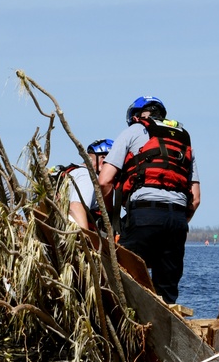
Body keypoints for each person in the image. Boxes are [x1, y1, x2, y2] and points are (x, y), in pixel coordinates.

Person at [98, 96, 201, 304]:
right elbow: (196, 198)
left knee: (124, 278)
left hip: (144, 214)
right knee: (167, 293)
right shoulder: (183, 139)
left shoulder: (133, 131)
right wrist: (175, 220)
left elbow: (104, 181)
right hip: (177, 220)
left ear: (136, 116)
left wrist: (111, 217)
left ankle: (126, 330)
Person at [62, 138, 113, 231]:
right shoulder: (88, 176)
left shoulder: (75, 171)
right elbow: (75, 207)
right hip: (74, 235)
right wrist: (86, 240)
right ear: (103, 160)